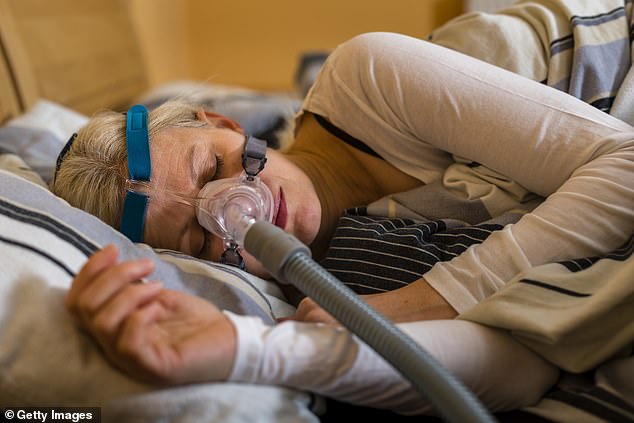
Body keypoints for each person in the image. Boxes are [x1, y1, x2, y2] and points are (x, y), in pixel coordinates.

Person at [51, 1, 634, 417]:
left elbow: (625, 164)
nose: (242, 207)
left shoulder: (366, 81)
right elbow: (528, 360)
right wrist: (247, 347)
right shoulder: (349, 271)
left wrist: (415, 305)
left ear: (226, 124)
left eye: (213, 169)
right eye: (204, 238)